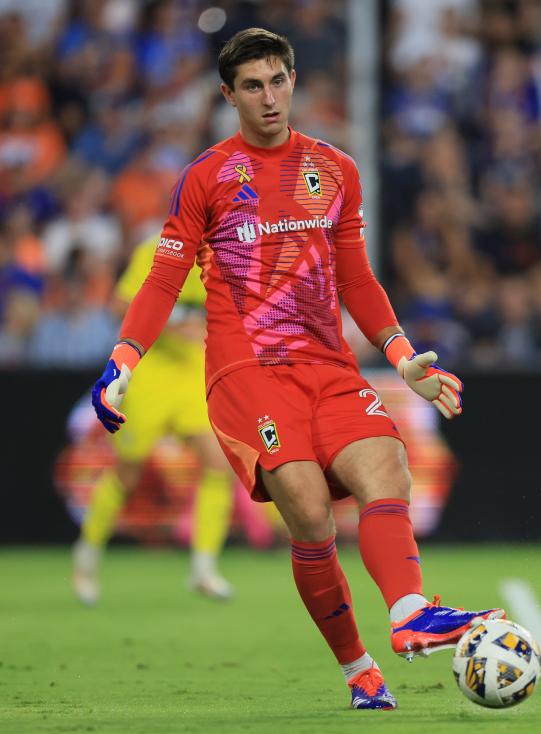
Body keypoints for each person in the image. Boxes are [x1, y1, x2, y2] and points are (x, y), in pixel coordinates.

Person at [88, 28, 503, 711]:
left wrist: (402, 358)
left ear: (293, 79)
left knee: (386, 466)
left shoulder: (334, 169)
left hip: (328, 365)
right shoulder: (207, 177)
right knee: (310, 516)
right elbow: (163, 279)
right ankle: (357, 668)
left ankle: (407, 614)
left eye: (278, 80)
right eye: (252, 86)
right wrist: (122, 360)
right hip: (246, 372)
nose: (270, 96)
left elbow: (358, 279)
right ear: (229, 95)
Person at [72, 235, 235, 605]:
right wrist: (174, 330)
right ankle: (87, 554)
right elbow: (121, 305)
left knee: (218, 462)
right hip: (149, 375)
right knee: (128, 473)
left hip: (193, 374)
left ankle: (204, 567)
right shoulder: (157, 249)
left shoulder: (229, 252)